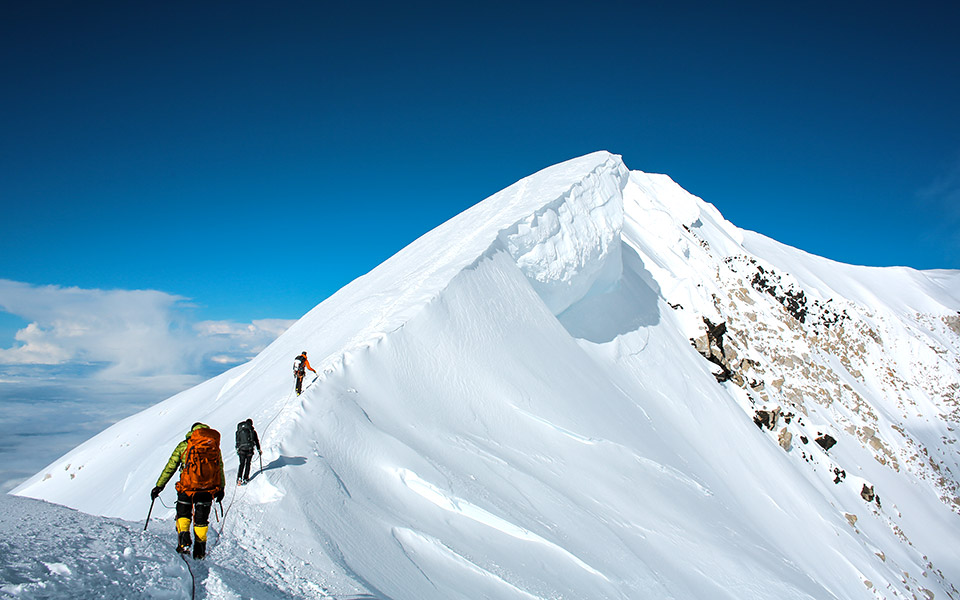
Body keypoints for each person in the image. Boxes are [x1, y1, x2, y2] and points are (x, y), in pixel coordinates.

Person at [151, 422, 225, 559]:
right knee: (201, 521)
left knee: (183, 515)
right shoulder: (213, 446)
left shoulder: (184, 446)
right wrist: (221, 488)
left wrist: (159, 486)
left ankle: (184, 543)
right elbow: (219, 467)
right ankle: (200, 552)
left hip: (187, 488)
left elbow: (170, 467)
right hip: (207, 490)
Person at [235, 418, 261, 485]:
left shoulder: (240, 430)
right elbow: (256, 441)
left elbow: (237, 440)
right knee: (248, 464)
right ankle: (245, 478)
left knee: (242, 464)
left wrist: (238, 448)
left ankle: (239, 478)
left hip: (241, 450)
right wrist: (259, 449)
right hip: (249, 450)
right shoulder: (252, 431)